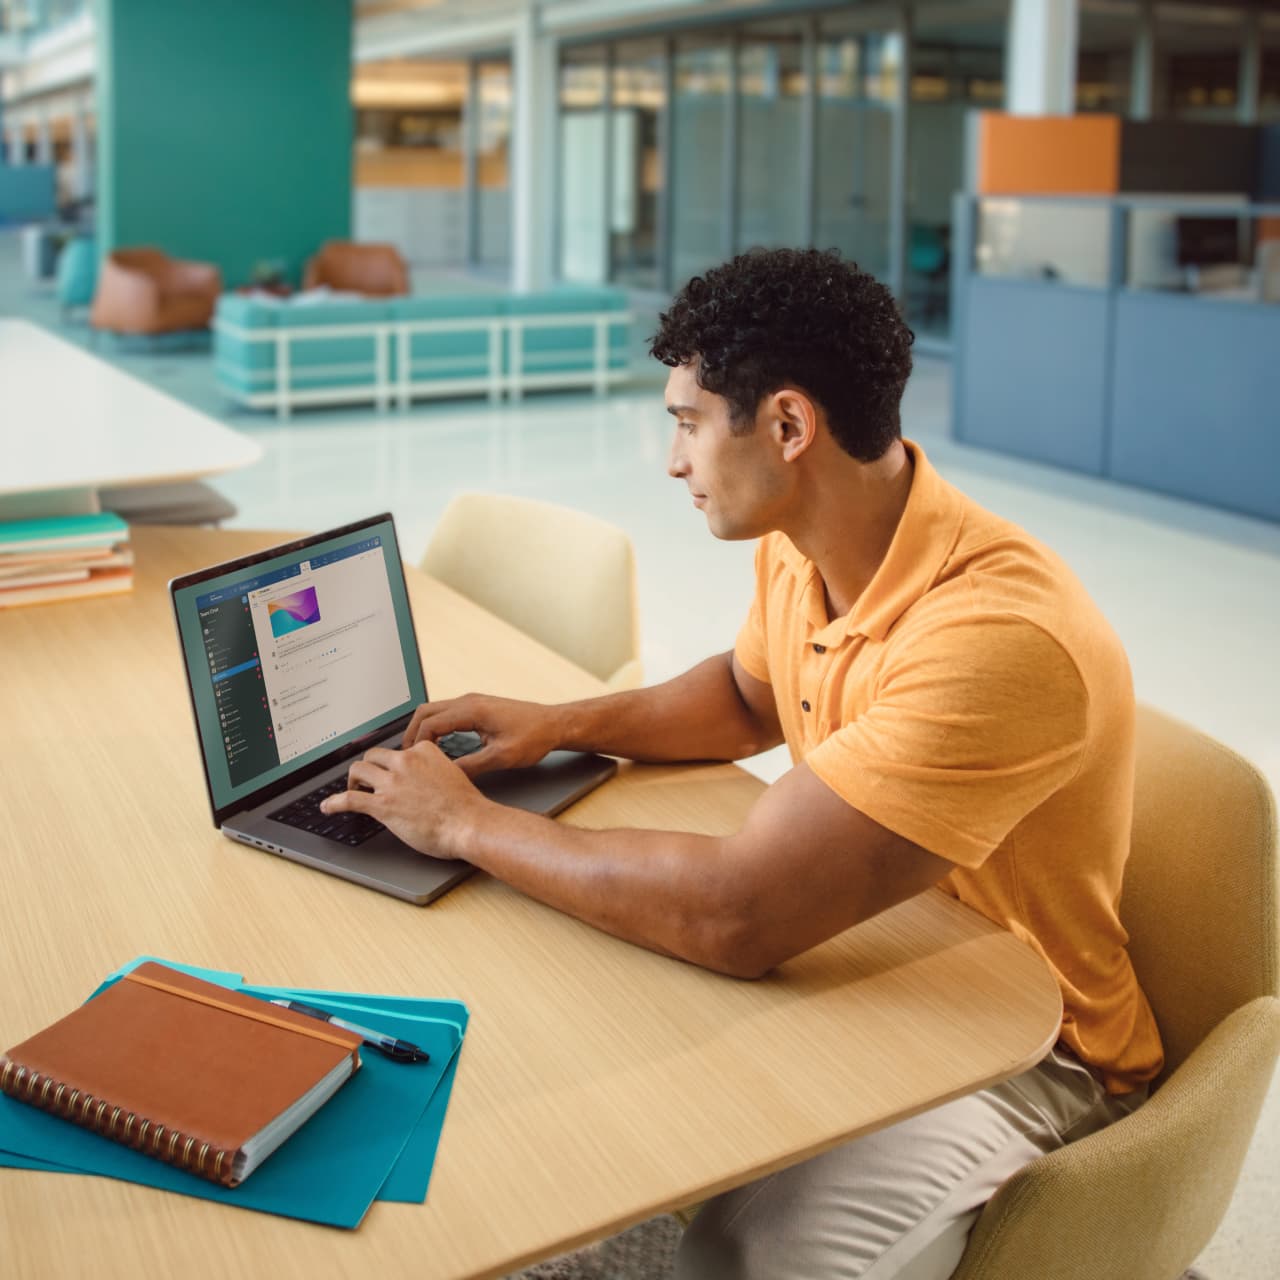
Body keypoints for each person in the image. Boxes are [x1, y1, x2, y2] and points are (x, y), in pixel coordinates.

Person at [322, 247, 1163, 1279]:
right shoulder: (808, 537)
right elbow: (744, 695)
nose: (672, 459)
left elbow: (737, 913)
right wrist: (556, 721)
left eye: (684, 421)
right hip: (883, 946)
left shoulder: (995, 635)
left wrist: (464, 824)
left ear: (787, 426)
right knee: (594, 1027)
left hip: (1025, 1044)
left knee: (748, 1251)